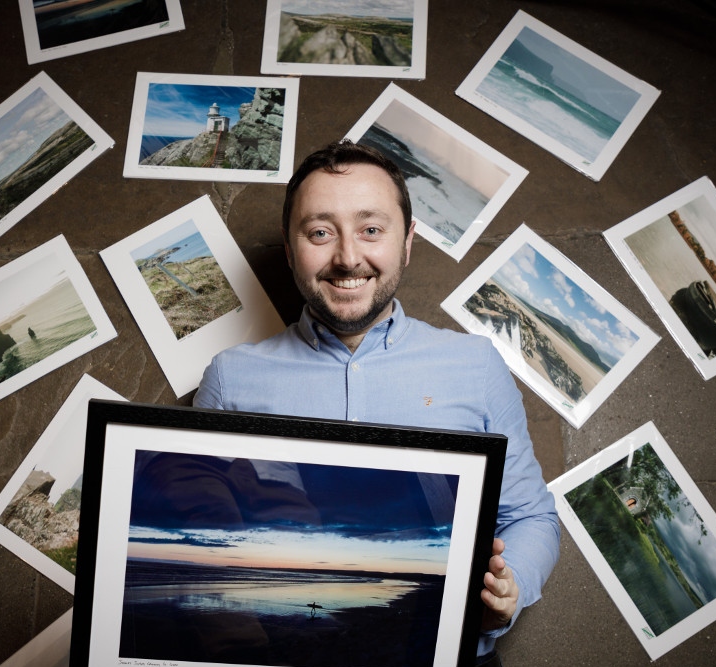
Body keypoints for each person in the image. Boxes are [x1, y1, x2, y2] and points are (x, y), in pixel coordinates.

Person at [194, 140, 560, 663]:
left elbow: (531, 516)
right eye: (320, 232)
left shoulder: (476, 366)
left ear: (407, 241)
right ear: (290, 243)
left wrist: (511, 589)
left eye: (371, 229)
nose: (347, 257)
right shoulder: (231, 380)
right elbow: (203, 529)